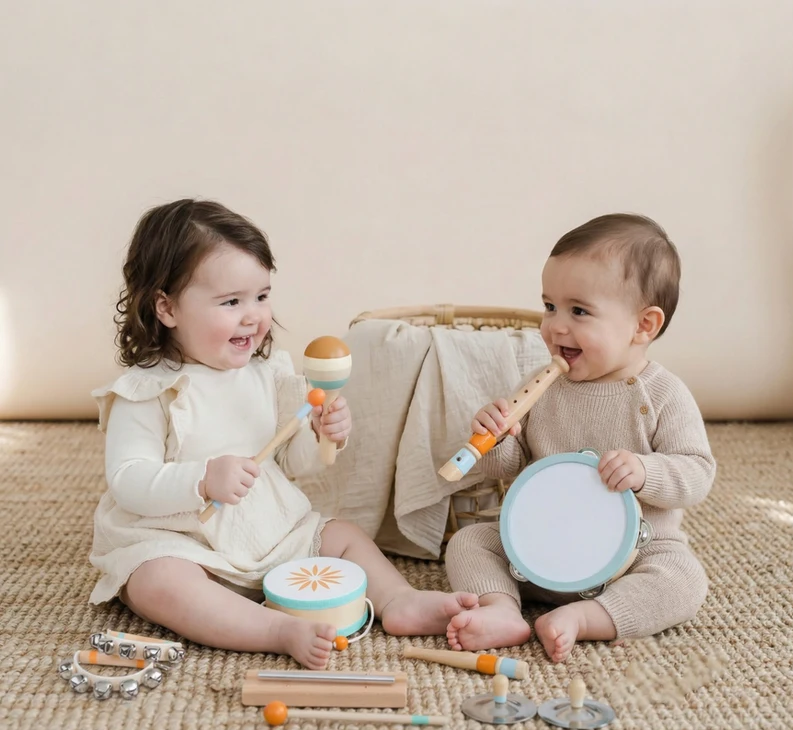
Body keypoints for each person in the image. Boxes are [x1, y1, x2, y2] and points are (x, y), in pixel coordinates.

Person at [90, 198, 477, 668]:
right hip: (181, 536)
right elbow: (128, 480)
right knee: (157, 582)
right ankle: (275, 629)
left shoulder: (267, 374)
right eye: (231, 302)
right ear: (167, 308)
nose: (253, 316)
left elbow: (294, 462)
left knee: (344, 535)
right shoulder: (146, 390)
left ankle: (399, 601)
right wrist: (201, 479)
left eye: (262, 296)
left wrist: (322, 436)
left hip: (267, 528)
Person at [445, 213, 715, 662]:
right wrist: (493, 439)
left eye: (579, 311)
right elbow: (509, 466)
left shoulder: (664, 394)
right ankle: (502, 609)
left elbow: (698, 472)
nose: (555, 326)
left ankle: (589, 618)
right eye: (549, 306)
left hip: (635, 553)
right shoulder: (542, 386)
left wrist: (646, 472)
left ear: (643, 326)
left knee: (684, 578)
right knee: (469, 543)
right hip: (535, 549)